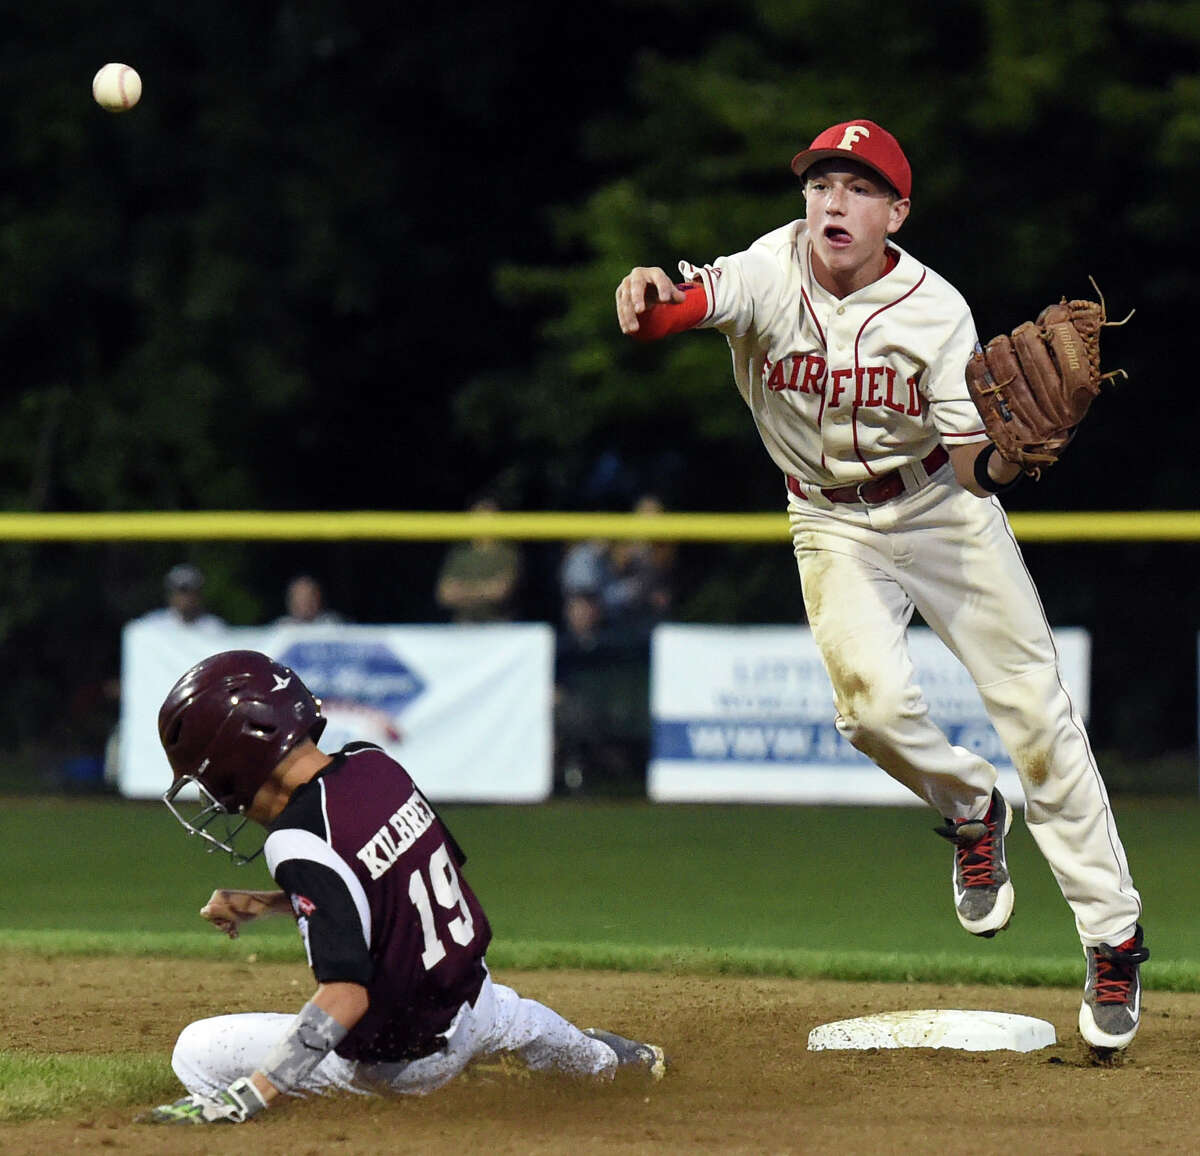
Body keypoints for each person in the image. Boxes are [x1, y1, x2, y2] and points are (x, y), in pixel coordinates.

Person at [614, 119, 1147, 1052]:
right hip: (826, 518)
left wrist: (1015, 462)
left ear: (895, 212)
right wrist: (647, 295)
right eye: (822, 182)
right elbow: (675, 310)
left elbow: (978, 461)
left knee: (1036, 716)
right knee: (868, 713)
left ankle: (1112, 936)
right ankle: (969, 806)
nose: (833, 201)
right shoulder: (766, 270)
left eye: (859, 188)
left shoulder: (936, 310)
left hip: (941, 508)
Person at [141, 650, 664, 1126]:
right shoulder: (375, 764)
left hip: (400, 1063)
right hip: (478, 1005)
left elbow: (345, 996)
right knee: (518, 1020)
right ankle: (604, 1064)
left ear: (237, 760)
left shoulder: (296, 839)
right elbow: (394, 883)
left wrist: (250, 1095)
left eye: (208, 778)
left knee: (194, 1051)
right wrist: (268, 904)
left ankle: (406, 1102)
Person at [434, 496, 522, 623]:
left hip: (498, 625)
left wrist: (463, 591)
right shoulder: (460, 554)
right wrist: (484, 589)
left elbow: (500, 592)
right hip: (464, 624)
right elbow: (444, 594)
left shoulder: (507, 554)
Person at [136, 563, 227, 632]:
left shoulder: (215, 627)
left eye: (192, 591)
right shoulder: (151, 626)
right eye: (182, 591)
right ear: (171, 595)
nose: (187, 598)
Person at [273, 573, 345, 626]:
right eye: (301, 598)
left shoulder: (333, 625)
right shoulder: (281, 628)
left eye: (310, 598)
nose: (306, 603)